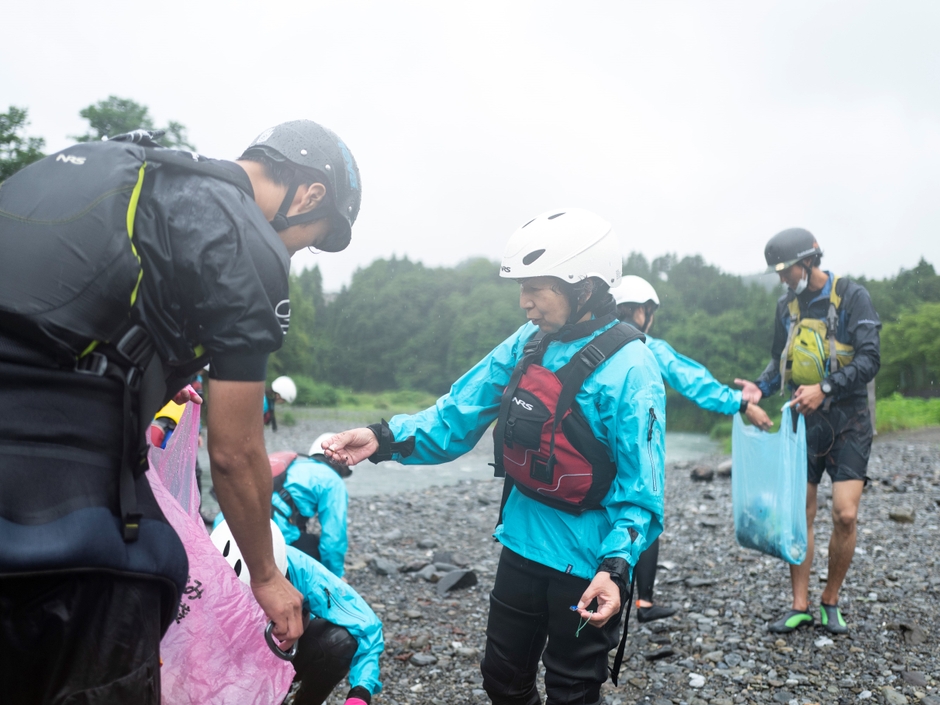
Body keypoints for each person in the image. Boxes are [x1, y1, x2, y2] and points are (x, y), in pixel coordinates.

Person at [0, 119, 361, 702]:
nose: (300, 250)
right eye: (315, 237)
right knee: (157, 574)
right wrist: (267, 578)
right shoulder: (246, 238)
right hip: (60, 480)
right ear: (310, 194)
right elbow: (235, 451)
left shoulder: (106, 165)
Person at [323, 209, 666, 705]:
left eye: (537, 288)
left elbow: (641, 491)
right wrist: (382, 437)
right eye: (522, 288)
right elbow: (456, 415)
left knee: (572, 691)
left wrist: (615, 568)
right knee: (502, 681)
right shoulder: (529, 344)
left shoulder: (634, 370)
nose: (525, 303)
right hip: (523, 544)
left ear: (584, 288)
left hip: (589, 560)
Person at [610, 275, 773, 623]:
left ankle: (595, 599)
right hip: (637, 452)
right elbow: (695, 383)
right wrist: (741, 404)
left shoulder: (589, 342)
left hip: (593, 452)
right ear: (641, 311)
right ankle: (643, 603)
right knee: (641, 515)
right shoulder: (648, 346)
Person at [747, 228, 880, 635]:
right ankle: (799, 604)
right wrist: (759, 388)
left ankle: (830, 601)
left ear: (809, 262)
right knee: (800, 513)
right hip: (802, 420)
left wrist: (825, 389)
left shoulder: (852, 296)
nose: (782, 278)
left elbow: (870, 359)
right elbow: (778, 364)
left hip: (850, 419)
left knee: (845, 513)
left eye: (786, 270)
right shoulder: (785, 307)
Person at [211, 521, 383, 705]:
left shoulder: (300, 569)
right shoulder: (193, 570)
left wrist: (360, 693)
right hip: (218, 661)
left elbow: (366, 625)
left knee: (340, 641)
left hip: (279, 655)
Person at [214, 433, 352, 577]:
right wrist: (334, 576)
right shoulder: (334, 482)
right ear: (344, 467)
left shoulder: (294, 465)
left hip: (222, 528)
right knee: (314, 548)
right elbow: (334, 539)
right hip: (259, 542)